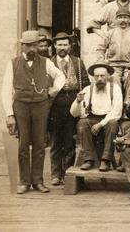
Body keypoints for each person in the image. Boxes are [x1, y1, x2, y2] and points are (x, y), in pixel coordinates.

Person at [2, 30, 66, 194]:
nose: (31, 49)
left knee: (39, 143)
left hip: (40, 106)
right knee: (23, 144)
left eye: (34, 45)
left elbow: (60, 76)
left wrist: (54, 90)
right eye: (28, 45)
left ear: (38, 46)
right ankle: (24, 181)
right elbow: (6, 89)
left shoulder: (46, 62)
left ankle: (38, 181)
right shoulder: (13, 63)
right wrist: (9, 114)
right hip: (20, 107)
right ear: (23, 46)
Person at [49, 32, 89, 185]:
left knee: (70, 140)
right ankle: (55, 174)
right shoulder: (49, 63)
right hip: (55, 106)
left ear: (70, 46)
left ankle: (68, 172)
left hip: (73, 105)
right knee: (55, 141)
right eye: (59, 45)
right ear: (55, 46)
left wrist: (81, 98)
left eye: (65, 44)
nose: (62, 48)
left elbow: (85, 82)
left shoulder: (78, 62)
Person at [70, 62, 122, 172]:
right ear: (93, 77)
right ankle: (89, 159)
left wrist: (101, 124)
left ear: (108, 76)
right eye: (97, 76)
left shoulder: (115, 89)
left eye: (102, 76)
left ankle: (105, 160)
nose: (99, 79)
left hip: (108, 120)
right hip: (93, 119)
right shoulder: (88, 90)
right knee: (82, 123)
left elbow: (117, 111)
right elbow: (74, 113)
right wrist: (78, 101)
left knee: (113, 123)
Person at [95, 7, 130, 95]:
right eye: (120, 17)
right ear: (116, 19)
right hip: (113, 66)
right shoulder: (110, 33)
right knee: (113, 78)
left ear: (129, 19)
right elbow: (100, 48)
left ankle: (129, 105)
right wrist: (102, 60)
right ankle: (117, 104)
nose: (123, 20)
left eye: (125, 17)